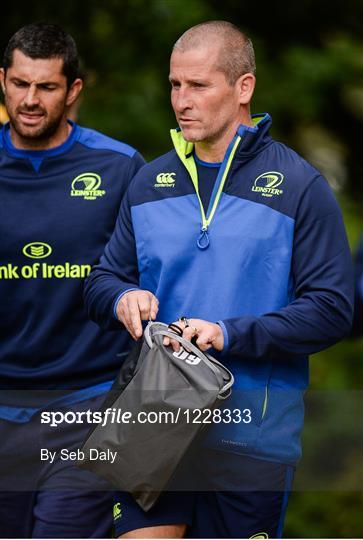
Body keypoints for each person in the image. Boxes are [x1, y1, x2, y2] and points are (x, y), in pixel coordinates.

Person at [84, 20, 354, 538]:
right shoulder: (148, 182)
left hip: (251, 436)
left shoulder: (300, 186)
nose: (181, 100)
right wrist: (122, 295)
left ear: (243, 88)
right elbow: (101, 281)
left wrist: (229, 333)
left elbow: (332, 308)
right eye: (174, 84)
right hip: (154, 418)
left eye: (198, 85)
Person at [0, 22, 144, 538]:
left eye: (47, 86)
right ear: (2, 81)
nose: (31, 100)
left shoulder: (120, 167)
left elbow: (154, 275)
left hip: (87, 407)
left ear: (74, 90)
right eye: (20, 84)